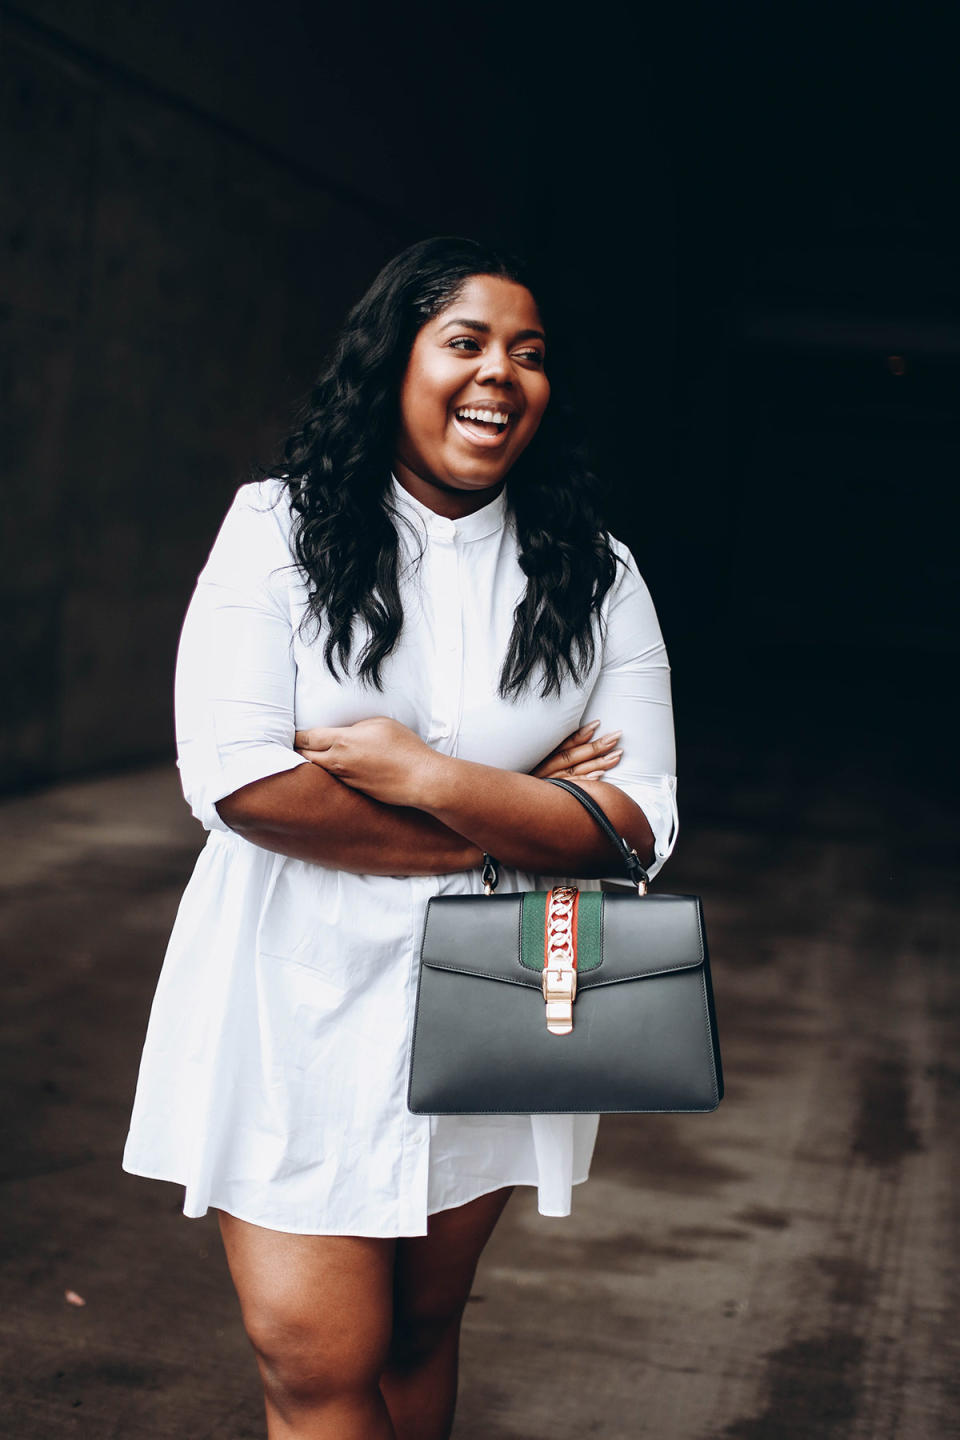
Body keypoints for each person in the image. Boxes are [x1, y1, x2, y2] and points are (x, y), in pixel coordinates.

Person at [123, 235, 679, 1440]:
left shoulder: (599, 575)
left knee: (424, 1333)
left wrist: (428, 775)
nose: (500, 375)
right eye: (467, 342)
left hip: (512, 987)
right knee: (318, 1362)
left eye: (528, 355)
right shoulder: (277, 530)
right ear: (396, 361)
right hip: (291, 994)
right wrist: (523, 806)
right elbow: (242, 782)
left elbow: (636, 826)